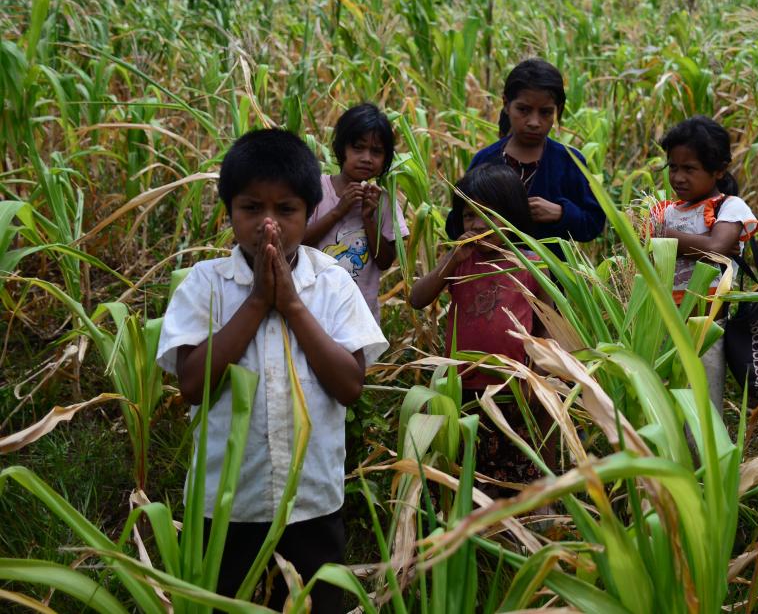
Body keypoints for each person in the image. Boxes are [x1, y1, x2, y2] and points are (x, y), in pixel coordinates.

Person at [156, 128, 388, 612]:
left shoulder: (332, 286)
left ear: (309, 213)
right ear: (229, 213)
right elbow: (194, 386)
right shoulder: (206, 286)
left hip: (312, 504)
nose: (269, 225)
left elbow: (349, 386)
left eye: (286, 210)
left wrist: (293, 306)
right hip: (226, 507)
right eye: (251, 208)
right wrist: (260, 301)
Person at [411, 164, 554, 495]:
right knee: (470, 461)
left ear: (513, 216)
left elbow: (547, 323)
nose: (476, 225)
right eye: (468, 216)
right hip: (464, 386)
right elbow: (418, 298)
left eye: (487, 215)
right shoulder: (461, 262)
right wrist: (451, 260)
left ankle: (527, 509)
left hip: (515, 386)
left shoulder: (532, 263)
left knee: (517, 461)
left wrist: (542, 370)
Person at [650, 115, 758, 411]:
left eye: (690, 169)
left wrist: (660, 236)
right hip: (665, 324)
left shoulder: (729, 207)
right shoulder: (666, 211)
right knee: (666, 401)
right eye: (673, 167)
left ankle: (705, 457)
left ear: (719, 171)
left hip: (707, 329)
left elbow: (716, 248)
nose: (678, 177)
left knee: (703, 405)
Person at [445, 58, 605, 259]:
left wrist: (562, 213)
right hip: (488, 280)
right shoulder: (486, 160)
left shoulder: (569, 162)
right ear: (506, 104)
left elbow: (594, 224)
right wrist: (480, 219)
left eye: (545, 112)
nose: (534, 122)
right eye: (523, 110)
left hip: (552, 284)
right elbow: (454, 224)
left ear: (558, 109)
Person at [304, 103, 409, 322]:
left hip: (359, 316)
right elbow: (296, 243)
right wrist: (338, 211)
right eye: (358, 148)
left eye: (376, 152)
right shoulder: (315, 189)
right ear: (341, 149)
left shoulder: (385, 202)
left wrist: (369, 219)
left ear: (385, 159)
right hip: (311, 309)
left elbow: (385, 262)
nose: (366, 158)